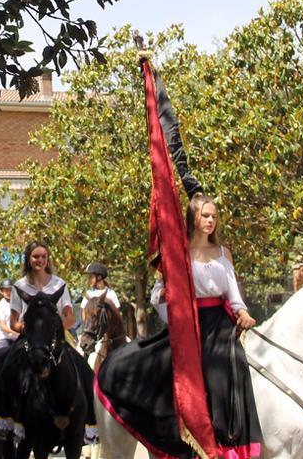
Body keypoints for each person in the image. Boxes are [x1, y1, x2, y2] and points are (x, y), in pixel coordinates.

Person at [97, 194, 262, 458]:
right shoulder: (177, 252)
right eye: (206, 215)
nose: (211, 220)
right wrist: (166, 300)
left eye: (214, 216)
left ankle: (230, 441)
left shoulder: (223, 252)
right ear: (193, 218)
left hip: (220, 322)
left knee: (232, 364)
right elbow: (157, 295)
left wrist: (242, 312)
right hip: (189, 326)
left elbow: (233, 296)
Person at [0, 241, 95, 442]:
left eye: (43, 256)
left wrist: (51, 326)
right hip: (29, 341)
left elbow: (70, 318)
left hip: (55, 341)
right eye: (36, 256)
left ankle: (92, 423)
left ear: (47, 259)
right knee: (4, 368)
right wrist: (32, 328)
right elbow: (14, 322)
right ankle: (3, 420)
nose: (40, 260)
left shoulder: (60, 284)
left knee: (86, 372)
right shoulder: (19, 286)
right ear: (28, 259)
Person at [0, 279, 19, 349]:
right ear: (2, 292)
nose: (8, 292)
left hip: (18, 338)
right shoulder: (0, 306)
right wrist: (16, 333)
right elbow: (3, 326)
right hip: (4, 339)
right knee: (0, 356)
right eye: (6, 290)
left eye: (10, 290)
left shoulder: (19, 304)